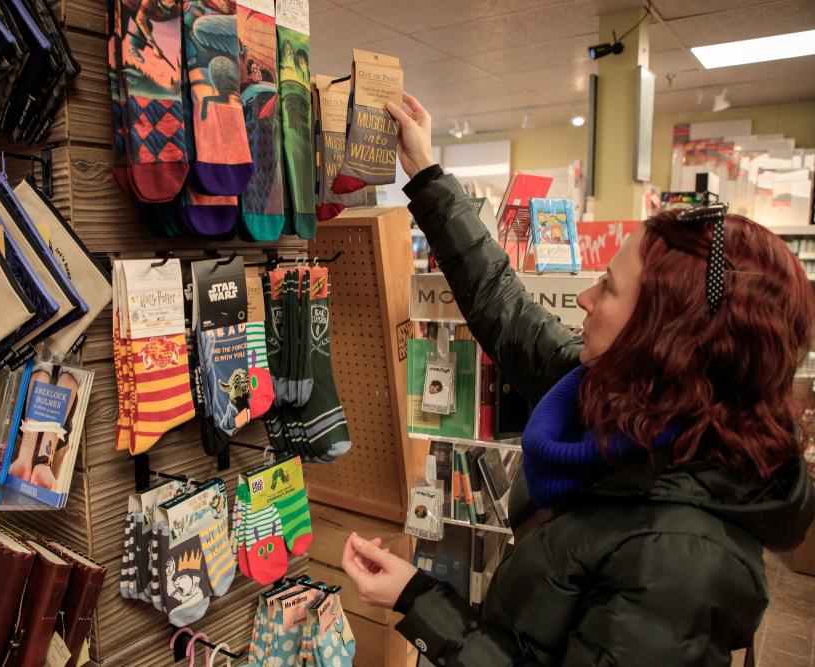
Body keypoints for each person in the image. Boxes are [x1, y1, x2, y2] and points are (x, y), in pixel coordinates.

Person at [341, 92, 815, 666]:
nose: (585, 298)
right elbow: (502, 304)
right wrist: (425, 172)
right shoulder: (619, 402)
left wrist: (419, 602)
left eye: (610, 288)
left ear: (666, 338)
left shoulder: (682, 560)